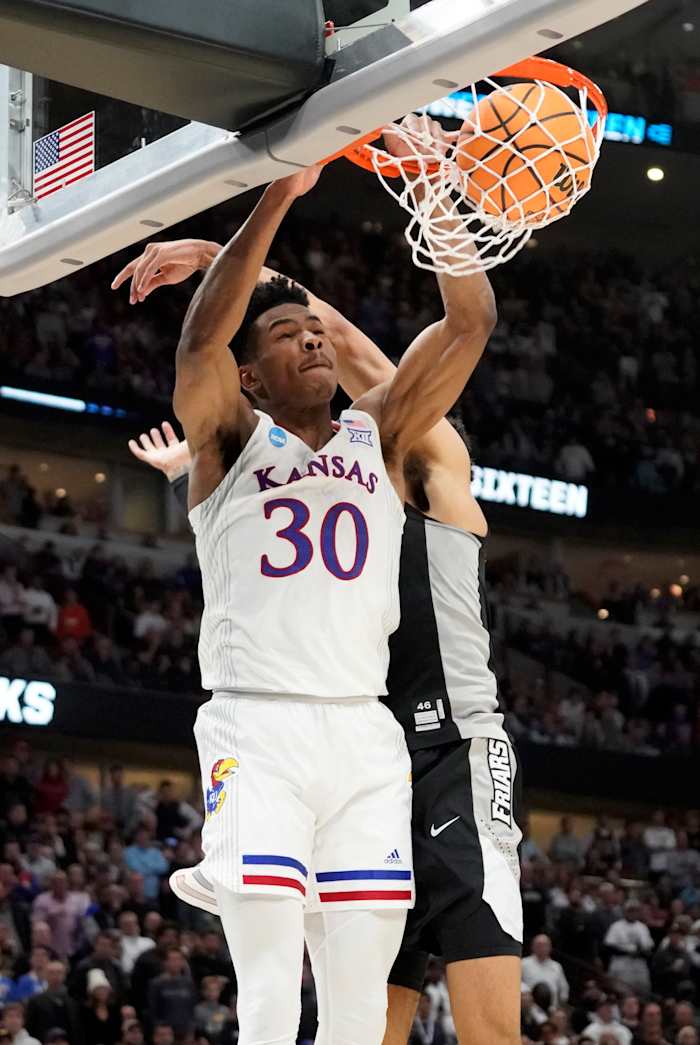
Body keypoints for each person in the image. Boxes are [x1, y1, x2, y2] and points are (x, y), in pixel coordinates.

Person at [113, 131, 503, 1044]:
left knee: (361, 1012)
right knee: (268, 1000)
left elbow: (471, 321)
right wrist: (280, 194)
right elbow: (202, 334)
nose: (314, 337)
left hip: (365, 734)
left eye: (317, 328)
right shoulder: (225, 441)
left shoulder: (386, 430)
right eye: (290, 335)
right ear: (250, 375)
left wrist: (435, 190)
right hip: (260, 724)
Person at [24, 960, 83, 1045]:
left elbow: (78, 1029)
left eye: (59, 972)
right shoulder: (35, 1001)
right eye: (51, 972)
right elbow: (30, 1029)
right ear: (45, 975)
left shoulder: (74, 1000)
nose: (55, 976)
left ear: (64, 975)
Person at [604, 900, 654, 995]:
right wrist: (627, 952)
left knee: (643, 994)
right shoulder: (616, 926)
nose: (633, 913)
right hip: (621, 965)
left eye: (635, 910)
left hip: (639, 966)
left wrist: (640, 952)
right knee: (622, 994)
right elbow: (609, 947)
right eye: (630, 910)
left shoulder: (642, 927)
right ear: (625, 911)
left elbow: (649, 948)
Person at [521, 935, 569, 1009]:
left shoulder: (556, 966)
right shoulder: (523, 963)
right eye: (539, 945)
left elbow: (564, 988)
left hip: (551, 1009)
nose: (542, 948)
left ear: (550, 948)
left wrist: (560, 1006)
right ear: (532, 947)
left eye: (545, 945)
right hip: (530, 1009)